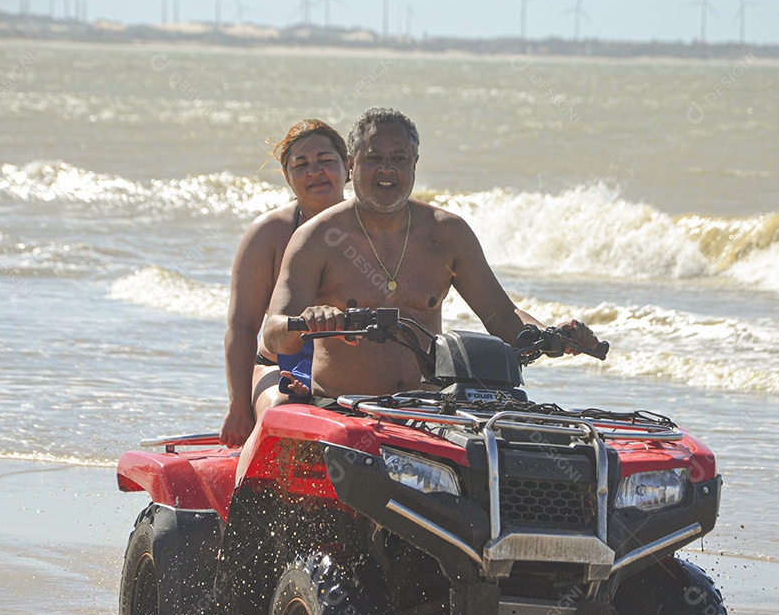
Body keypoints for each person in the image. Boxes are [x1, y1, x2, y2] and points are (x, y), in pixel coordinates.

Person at [261, 107, 598, 399]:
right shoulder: (317, 237)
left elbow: (501, 315)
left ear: (415, 163)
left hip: (428, 409)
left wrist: (551, 336)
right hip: (344, 409)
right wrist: (309, 321)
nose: (386, 169)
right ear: (351, 164)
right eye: (374, 158)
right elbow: (274, 335)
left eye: (399, 159)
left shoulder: (448, 233)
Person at [219, 120, 349, 447]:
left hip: (350, 371)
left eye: (326, 161)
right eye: (301, 165)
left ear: (348, 165)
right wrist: (238, 406)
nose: (315, 172)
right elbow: (242, 325)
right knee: (283, 413)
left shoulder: (376, 229)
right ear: (287, 176)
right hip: (281, 368)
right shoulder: (269, 233)